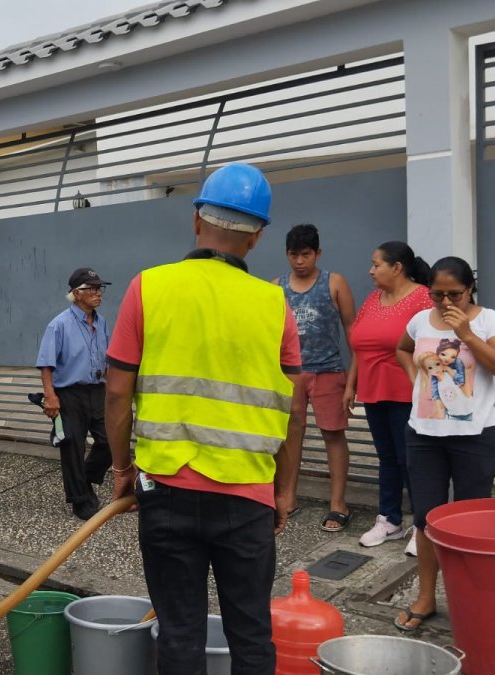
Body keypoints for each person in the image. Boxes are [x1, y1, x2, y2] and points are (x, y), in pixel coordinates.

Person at [105, 163, 302, 674]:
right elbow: (292, 411)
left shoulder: (147, 288)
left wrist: (123, 469)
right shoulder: (275, 304)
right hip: (248, 498)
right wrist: (283, 490)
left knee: (180, 634)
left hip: (166, 491)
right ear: (257, 238)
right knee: (252, 635)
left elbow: (117, 393)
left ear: (197, 220)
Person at [393, 256, 495, 631]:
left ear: (470, 289)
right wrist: (416, 381)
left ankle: (472, 600)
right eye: (437, 295)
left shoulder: (488, 320)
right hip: (424, 436)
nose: (446, 303)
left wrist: (466, 335)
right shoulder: (419, 321)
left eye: (455, 294)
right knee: (425, 518)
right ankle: (427, 596)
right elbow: (402, 348)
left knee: (472, 524)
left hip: (474, 436)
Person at [344, 241, 433, 555]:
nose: (371, 270)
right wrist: (350, 385)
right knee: (387, 458)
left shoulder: (423, 298)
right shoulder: (372, 299)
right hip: (373, 391)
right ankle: (390, 520)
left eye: (376, 264)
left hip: (407, 392)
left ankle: (422, 525)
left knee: (411, 459)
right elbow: (360, 346)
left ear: (397, 268)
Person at [273, 224, 355, 532]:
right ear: (287, 255)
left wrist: (352, 379)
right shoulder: (276, 287)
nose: (299, 261)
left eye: (306, 254)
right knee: (290, 436)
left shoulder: (334, 283)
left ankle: (338, 504)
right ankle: (288, 497)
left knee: (333, 433)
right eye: (294, 255)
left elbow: (352, 332)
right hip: (291, 375)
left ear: (317, 253)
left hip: (328, 370)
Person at [36, 267, 114, 520]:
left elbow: (107, 359)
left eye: (99, 288)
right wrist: (51, 397)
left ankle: (87, 477)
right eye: (91, 289)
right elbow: (46, 364)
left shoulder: (101, 323)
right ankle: (80, 498)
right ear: (76, 293)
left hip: (97, 391)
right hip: (69, 393)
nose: (98, 293)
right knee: (72, 446)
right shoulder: (59, 325)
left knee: (110, 440)